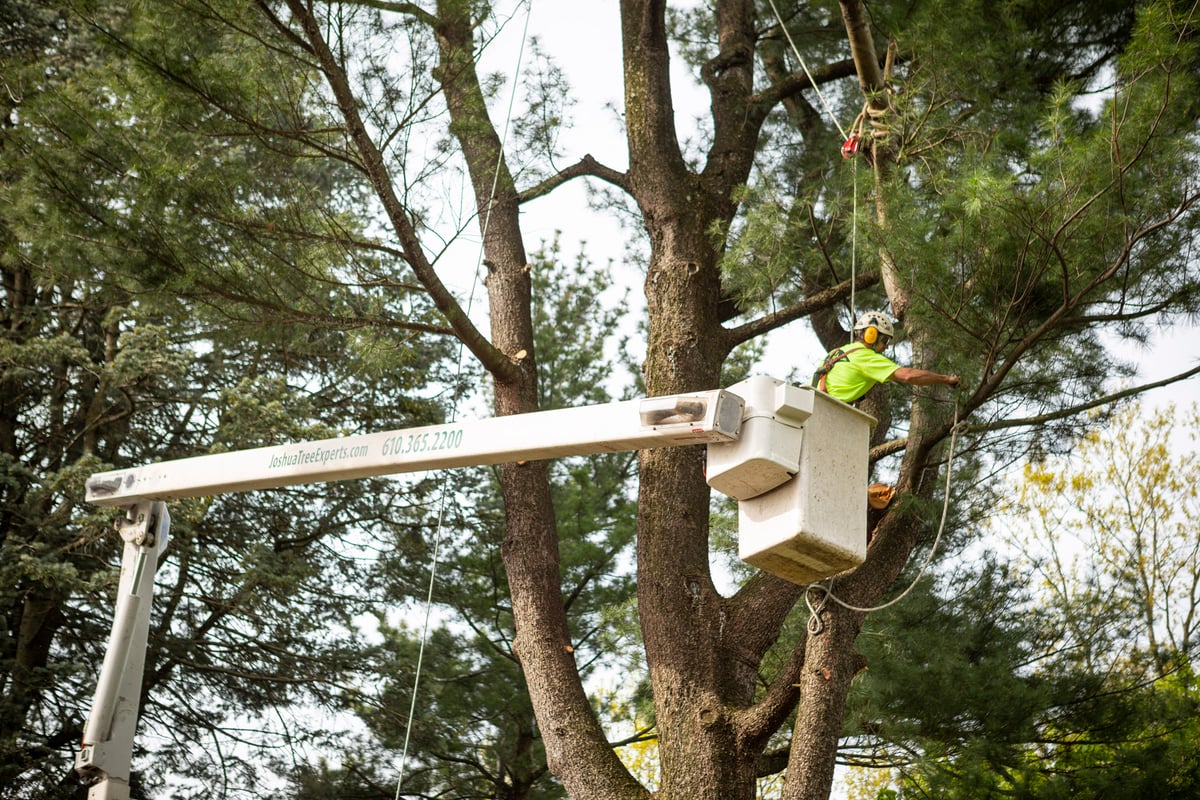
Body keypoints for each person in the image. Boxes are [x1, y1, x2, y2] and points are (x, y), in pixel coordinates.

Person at [813, 311, 960, 404]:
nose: (886, 347)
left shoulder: (836, 352)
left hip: (812, 403)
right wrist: (946, 379)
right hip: (827, 410)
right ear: (872, 335)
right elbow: (909, 376)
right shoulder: (866, 357)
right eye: (885, 341)